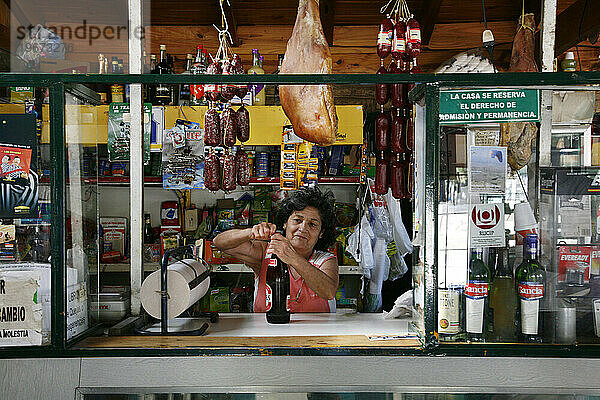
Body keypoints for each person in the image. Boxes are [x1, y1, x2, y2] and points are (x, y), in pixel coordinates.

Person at [213, 186, 338, 313]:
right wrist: (251, 232)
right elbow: (219, 243)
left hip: (315, 332)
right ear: (285, 223)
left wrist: (293, 257)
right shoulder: (266, 252)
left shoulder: (325, 260)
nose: (303, 228)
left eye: (312, 224)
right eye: (297, 220)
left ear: (321, 233)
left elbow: (328, 292)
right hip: (267, 331)